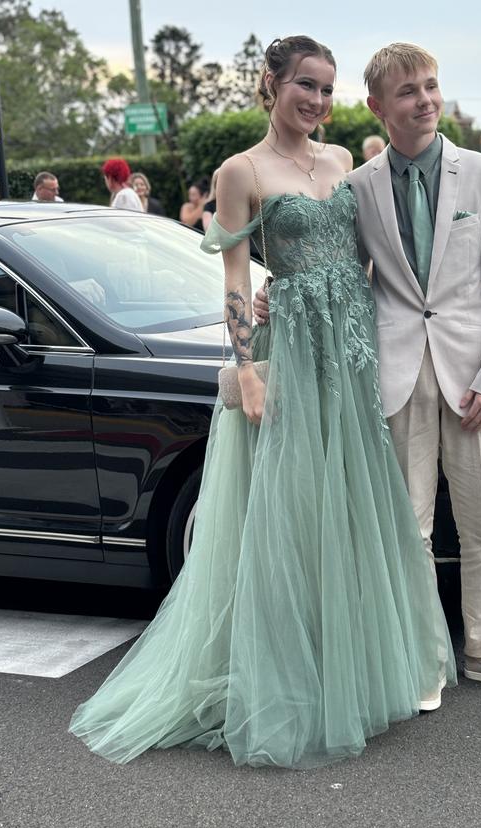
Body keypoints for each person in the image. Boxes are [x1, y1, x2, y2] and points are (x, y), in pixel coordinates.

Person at [69, 35, 456, 769]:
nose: (316, 101)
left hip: (350, 352)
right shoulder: (240, 169)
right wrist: (247, 368)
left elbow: (368, 255)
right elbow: (235, 281)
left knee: (350, 511)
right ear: (271, 85)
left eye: (326, 89)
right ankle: (295, 679)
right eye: (304, 86)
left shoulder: (343, 161)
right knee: (290, 513)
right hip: (292, 360)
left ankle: (355, 668)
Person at [257, 43, 481, 695]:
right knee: (408, 530)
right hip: (393, 375)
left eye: (430, 87)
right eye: (407, 92)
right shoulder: (358, 186)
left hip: (473, 378)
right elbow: (341, 270)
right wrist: (274, 291)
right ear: (377, 107)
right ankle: (424, 660)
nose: (424, 100)